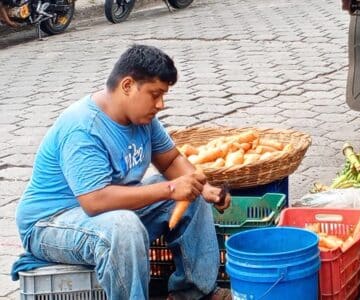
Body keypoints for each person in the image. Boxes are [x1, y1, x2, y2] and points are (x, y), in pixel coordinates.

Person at [14, 44, 232, 300]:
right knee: (123, 227)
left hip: (105, 213)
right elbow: (95, 201)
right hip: (50, 224)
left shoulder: (142, 119)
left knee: (190, 192)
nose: (160, 104)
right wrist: (171, 189)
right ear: (127, 86)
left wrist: (205, 190)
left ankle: (193, 293)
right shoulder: (84, 128)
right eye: (155, 94)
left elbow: (171, 160)